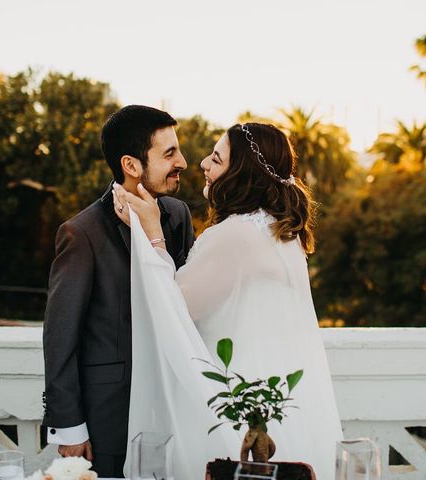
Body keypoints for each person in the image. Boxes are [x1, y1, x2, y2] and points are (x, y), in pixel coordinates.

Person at [113, 123, 343, 480]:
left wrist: (153, 234)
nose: (203, 163)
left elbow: (175, 312)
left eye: (217, 159)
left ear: (241, 175)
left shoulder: (236, 235)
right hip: (273, 406)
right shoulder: (281, 230)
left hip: (230, 414)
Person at [42, 105, 195, 478]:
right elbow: (61, 338)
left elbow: (185, 304)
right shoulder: (83, 234)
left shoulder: (177, 215)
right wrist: (70, 426)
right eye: (169, 153)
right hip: (110, 416)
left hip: (176, 407)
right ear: (131, 164)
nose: (184, 162)